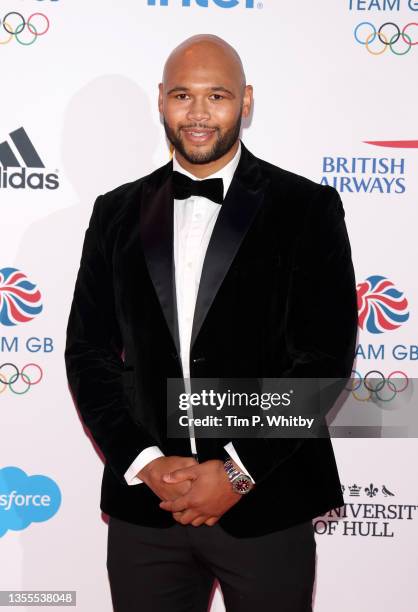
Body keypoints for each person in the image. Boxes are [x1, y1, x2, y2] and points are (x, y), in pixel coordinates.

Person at [65, 34, 358, 612]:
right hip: (148, 510)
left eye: (217, 96)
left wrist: (237, 471)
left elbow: (324, 357)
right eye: (182, 96)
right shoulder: (115, 212)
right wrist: (145, 462)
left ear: (246, 101)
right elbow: (88, 352)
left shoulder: (306, 208)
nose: (198, 114)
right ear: (161, 101)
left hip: (268, 502)